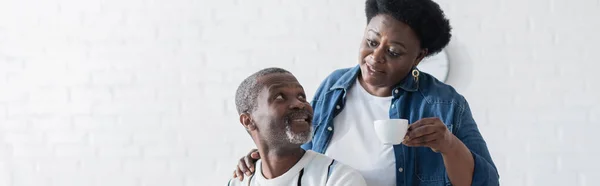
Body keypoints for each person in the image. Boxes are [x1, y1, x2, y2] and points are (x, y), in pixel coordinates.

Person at [233, 0, 500, 185]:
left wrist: (448, 145)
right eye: (371, 42)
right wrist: (260, 159)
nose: (376, 57)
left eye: (393, 52)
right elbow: (301, 153)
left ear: (419, 57)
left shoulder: (444, 104)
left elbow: (486, 183)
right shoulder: (333, 87)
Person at [228, 68, 367, 186]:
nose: (300, 104)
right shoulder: (239, 181)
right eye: (280, 97)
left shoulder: (338, 179)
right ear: (248, 120)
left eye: (301, 97)